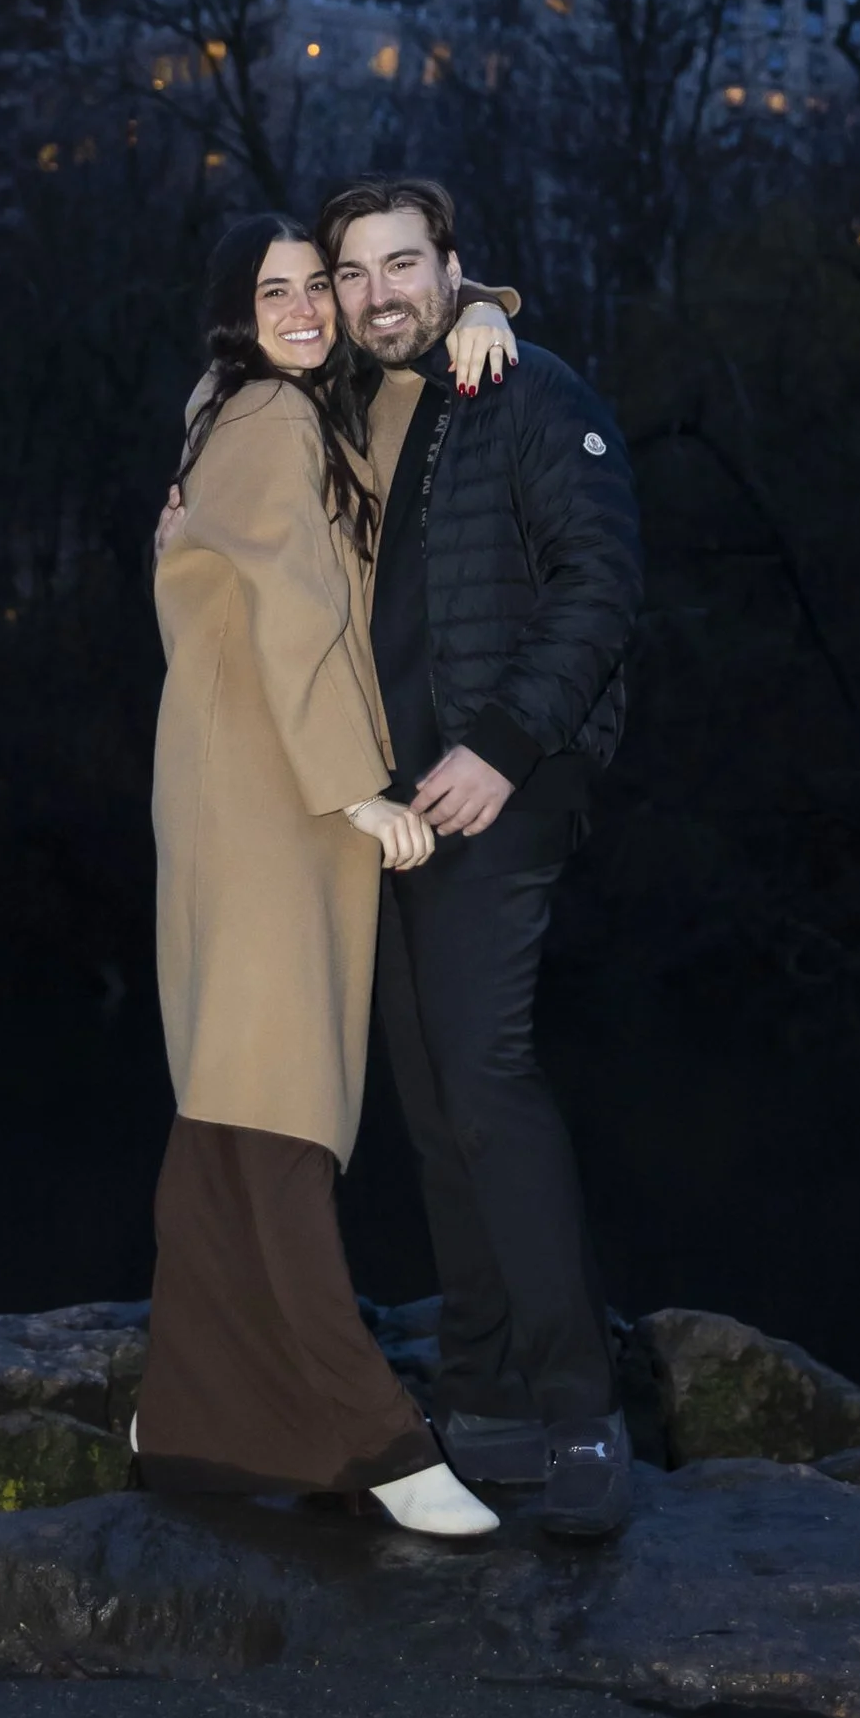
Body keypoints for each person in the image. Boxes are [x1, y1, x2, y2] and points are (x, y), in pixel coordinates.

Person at [131, 208, 518, 1534]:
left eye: (318, 283)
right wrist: (355, 780)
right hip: (273, 793)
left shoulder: (268, 414)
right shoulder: (271, 419)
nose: (306, 305)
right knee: (284, 1114)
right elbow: (296, 596)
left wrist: (486, 311)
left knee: (230, 1113)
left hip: (250, 783)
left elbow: (197, 573)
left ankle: (187, 1415)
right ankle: (374, 1437)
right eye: (276, 288)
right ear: (235, 311)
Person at [322, 175, 642, 1541]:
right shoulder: (366, 406)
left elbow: (603, 580)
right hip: (386, 807)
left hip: (497, 780)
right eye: (356, 273)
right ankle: (482, 1392)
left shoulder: (528, 389)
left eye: (407, 263)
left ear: (453, 264)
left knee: (489, 1076)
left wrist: (507, 744)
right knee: (432, 1093)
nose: (381, 290)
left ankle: (581, 1407)